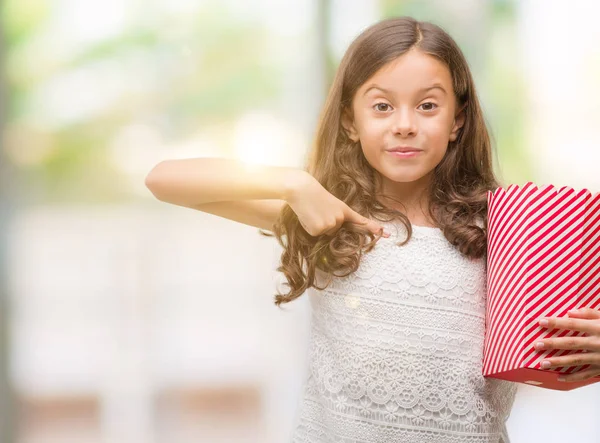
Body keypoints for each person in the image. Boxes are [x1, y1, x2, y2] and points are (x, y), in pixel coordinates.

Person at [145, 16, 600, 443]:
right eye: (382, 106)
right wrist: (291, 183)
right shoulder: (326, 215)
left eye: (427, 106)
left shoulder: (506, 230)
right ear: (350, 120)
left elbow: (558, 344)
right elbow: (164, 180)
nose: (404, 125)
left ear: (457, 119)